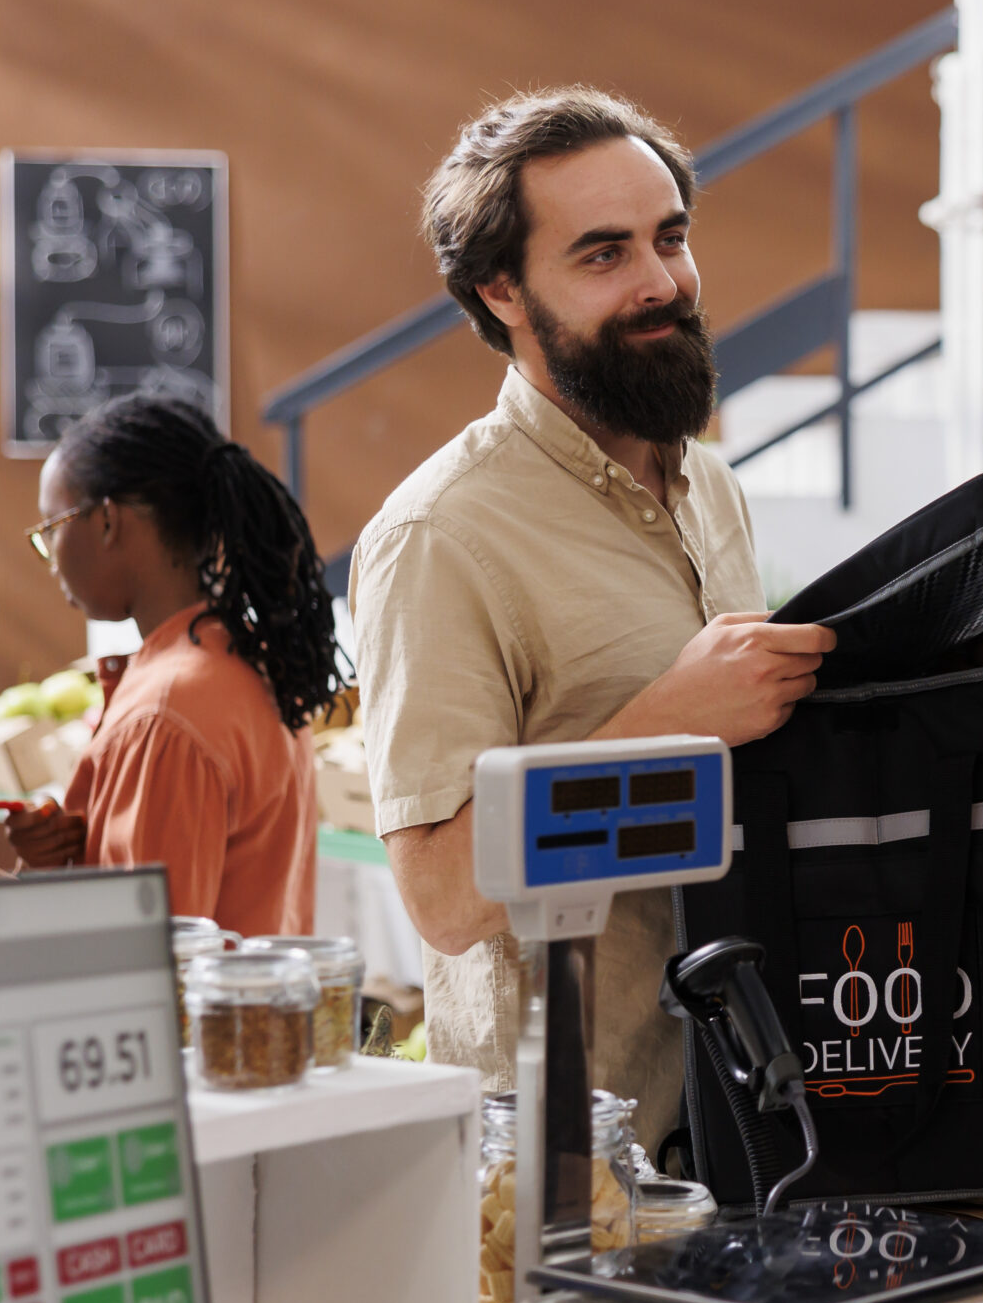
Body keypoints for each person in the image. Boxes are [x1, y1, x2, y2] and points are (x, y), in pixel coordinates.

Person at [350, 87, 834, 1122]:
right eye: (603, 254)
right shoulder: (438, 537)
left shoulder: (713, 489)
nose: (664, 283)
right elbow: (442, 900)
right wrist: (669, 721)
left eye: (671, 238)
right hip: (576, 1164)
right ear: (502, 292)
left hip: (751, 1109)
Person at [0, 394, 340, 935]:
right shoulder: (238, 662)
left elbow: (136, 960)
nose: (51, 558)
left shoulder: (165, 712)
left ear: (107, 521)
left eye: (51, 528)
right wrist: (68, 855)